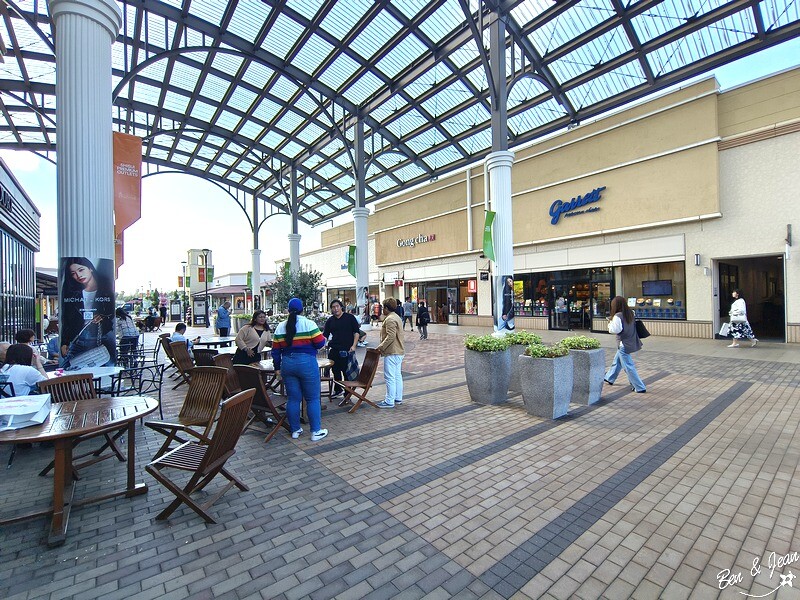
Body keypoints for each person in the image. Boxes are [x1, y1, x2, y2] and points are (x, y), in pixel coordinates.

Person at [271, 298, 328, 441]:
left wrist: (277, 368)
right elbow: (320, 343)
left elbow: (275, 351)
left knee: (293, 399)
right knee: (313, 398)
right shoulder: (309, 324)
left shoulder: (280, 326)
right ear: (302, 309)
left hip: (287, 364)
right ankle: (315, 431)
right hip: (307, 363)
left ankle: (295, 430)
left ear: (288, 310)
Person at [60, 257, 116, 367]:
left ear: (90, 268)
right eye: (73, 273)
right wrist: (64, 342)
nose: (78, 275)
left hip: (102, 337)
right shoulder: (72, 293)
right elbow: (67, 319)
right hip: (79, 338)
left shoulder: (106, 289)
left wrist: (102, 316)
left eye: (81, 270)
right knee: (67, 369)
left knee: (106, 369)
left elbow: (110, 312)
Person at [604, 295, 646, 393]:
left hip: (623, 344)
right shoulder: (631, 313)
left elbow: (615, 330)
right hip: (630, 341)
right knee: (617, 360)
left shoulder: (617, 316)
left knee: (628, 366)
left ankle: (639, 387)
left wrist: (610, 323)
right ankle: (609, 377)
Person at [322, 299, 360, 403]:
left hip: (346, 350)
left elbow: (356, 332)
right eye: (333, 307)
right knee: (336, 372)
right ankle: (338, 390)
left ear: (341, 307)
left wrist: (354, 346)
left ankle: (347, 394)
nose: (335, 309)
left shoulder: (350, 318)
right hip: (334, 350)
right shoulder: (330, 320)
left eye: (337, 306)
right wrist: (321, 344)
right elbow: (325, 335)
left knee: (346, 372)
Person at [375, 297, 405, 408]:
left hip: (392, 351)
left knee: (390, 377)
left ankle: (389, 400)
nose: (382, 309)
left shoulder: (390, 319)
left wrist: (380, 347)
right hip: (399, 351)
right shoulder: (396, 317)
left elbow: (391, 336)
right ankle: (398, 398)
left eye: (383, 307)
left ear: (387, 308)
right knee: (397, 376)